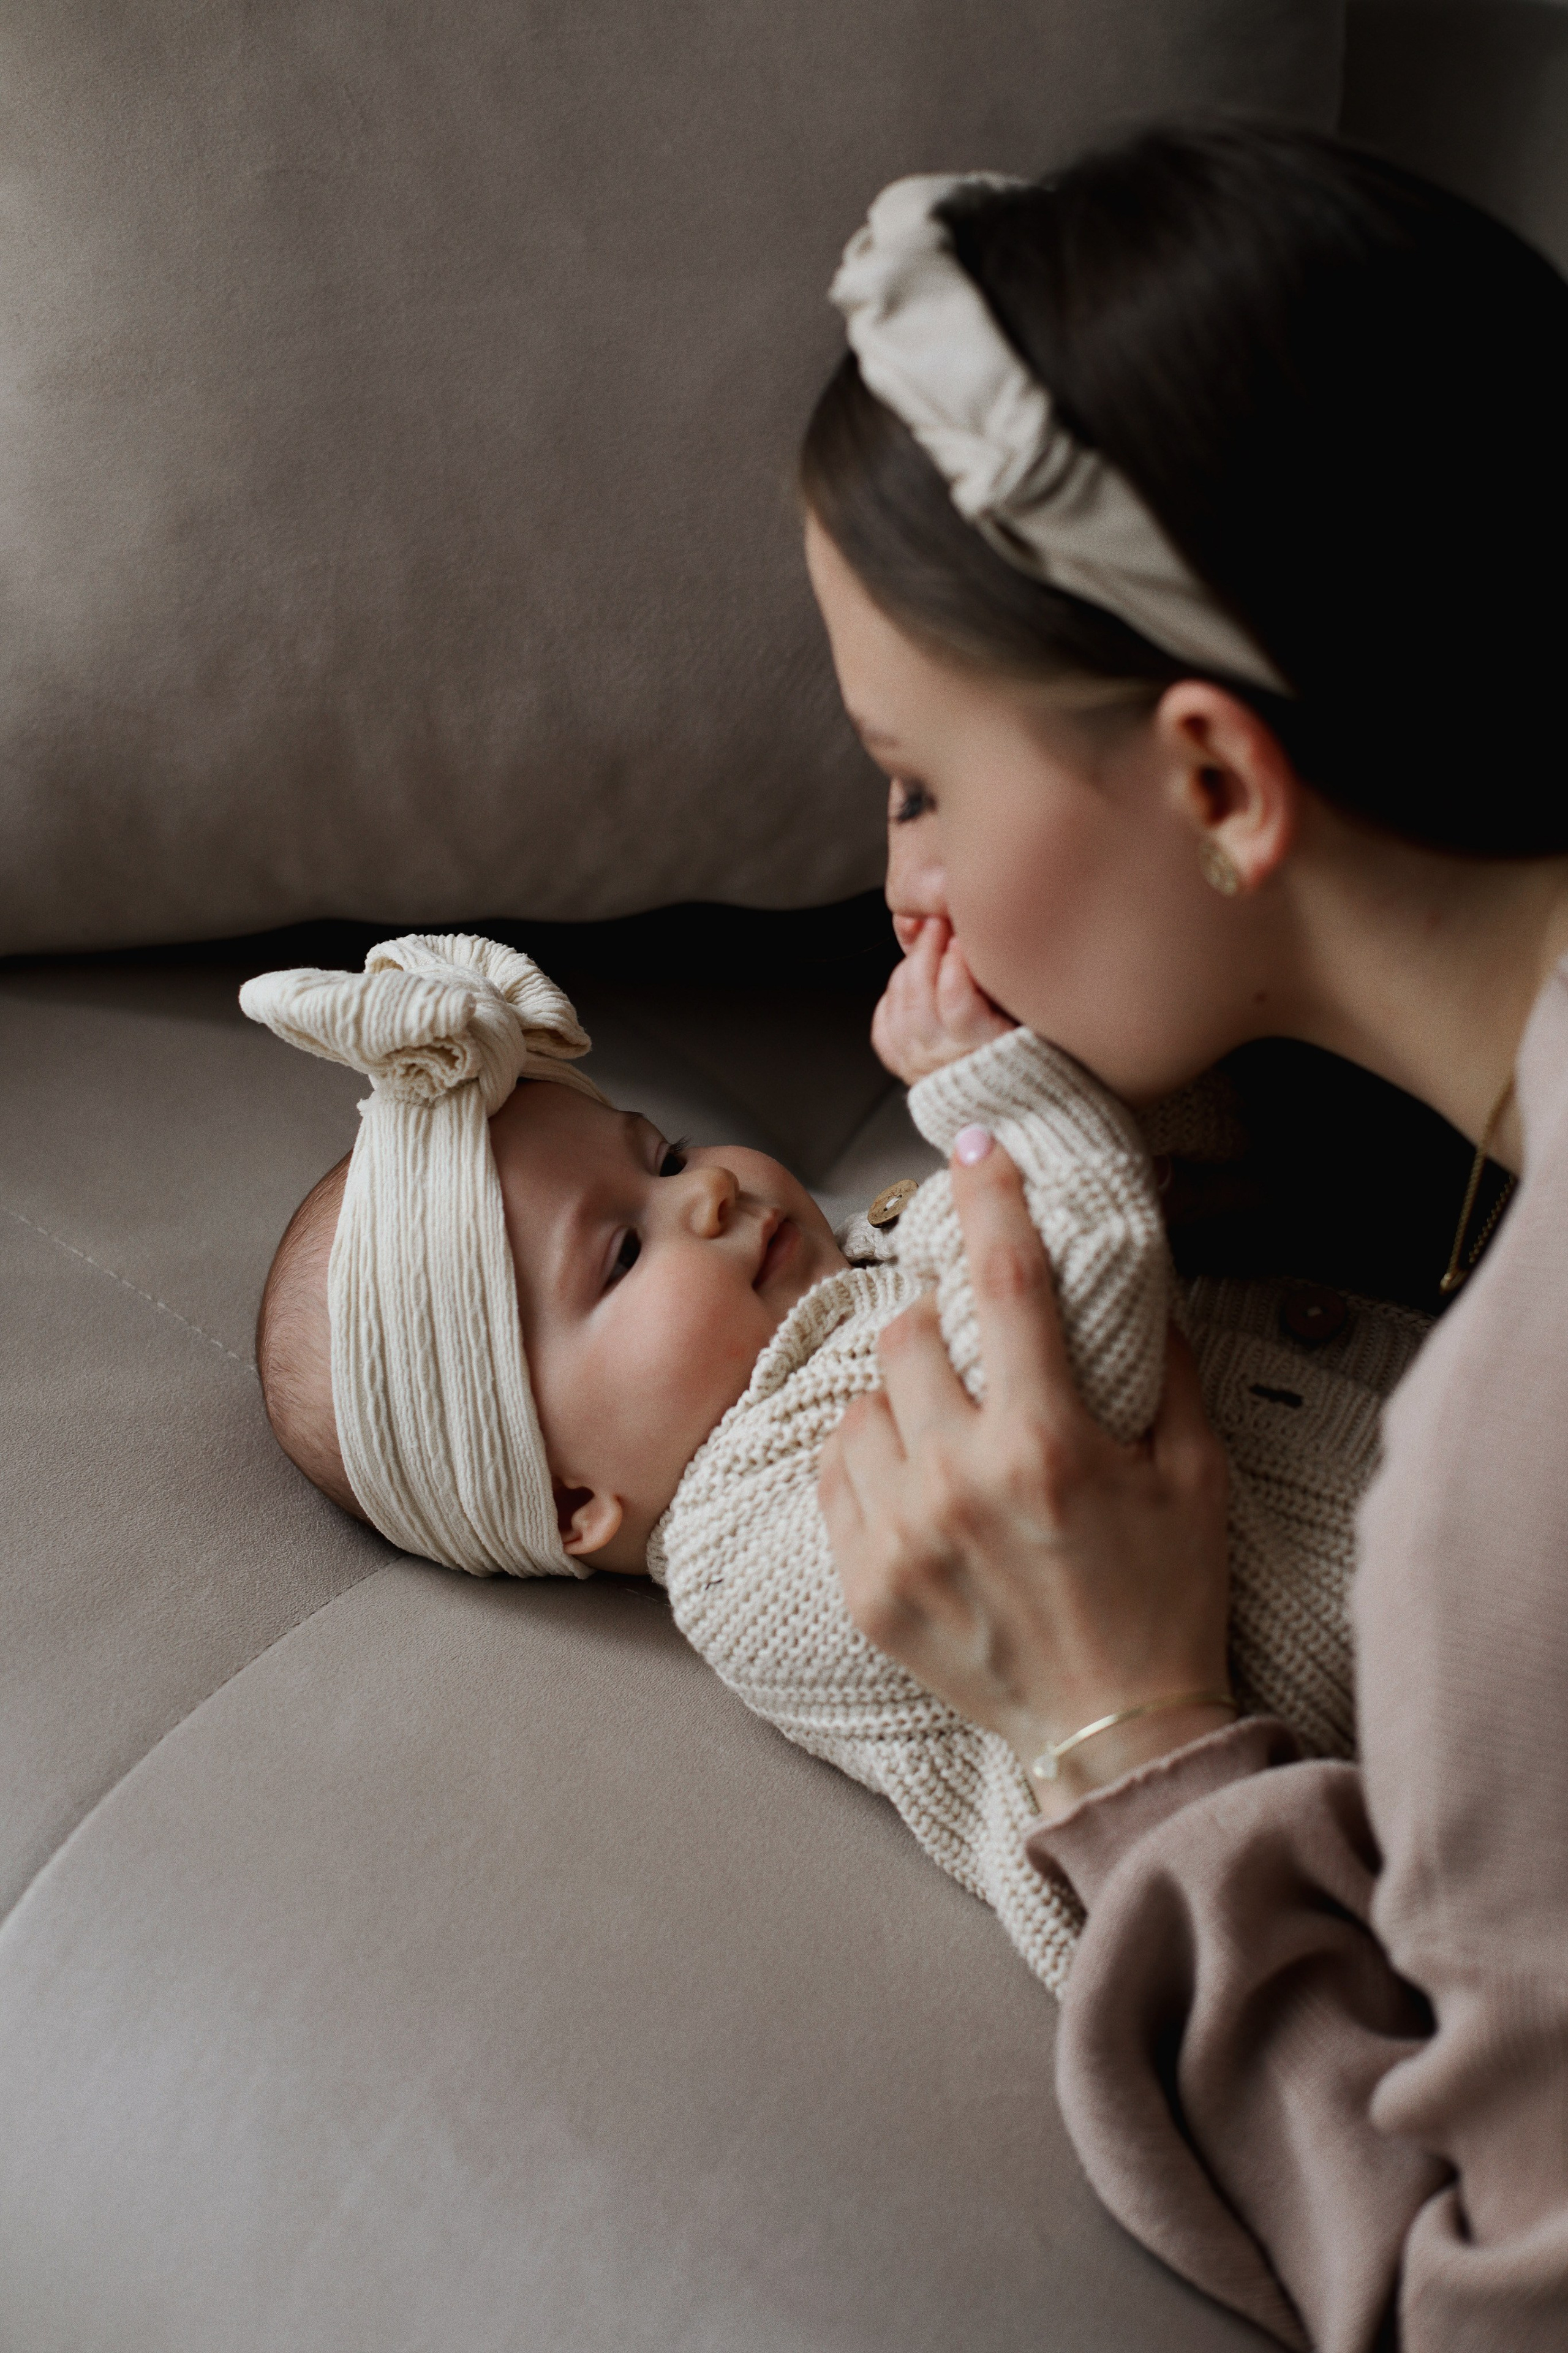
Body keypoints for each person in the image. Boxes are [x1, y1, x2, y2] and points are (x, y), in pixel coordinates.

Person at [801, 124, 1568, 2349]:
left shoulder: (1505, 1499)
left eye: (915, 778)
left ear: (1222, 783)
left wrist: (1124, 1741)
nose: (902, 888)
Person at [241, 918, 1414, 1997]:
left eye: (663, 1155)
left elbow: (1155, 1189)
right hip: (1367, 1754)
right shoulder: (756, 1548)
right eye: (620, 1258)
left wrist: (1090, 1029)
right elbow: (1057, 1392)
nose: (704, 1193)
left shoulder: (854, 1260)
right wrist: (1005, 1102)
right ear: (571, 1501)